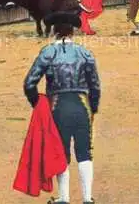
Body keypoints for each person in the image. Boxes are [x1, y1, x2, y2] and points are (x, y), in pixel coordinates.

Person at [23, 11, 101, 204]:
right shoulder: (85, 53)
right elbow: (95, 86)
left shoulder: (48, 52)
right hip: (82, 105)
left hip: (57, 107)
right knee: (85, 151)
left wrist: (39, 105)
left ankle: (64, 198)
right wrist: (93, 108)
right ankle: (86, 199)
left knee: (61, 151)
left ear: (55, 31)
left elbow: (29, 84)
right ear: (73, 31)